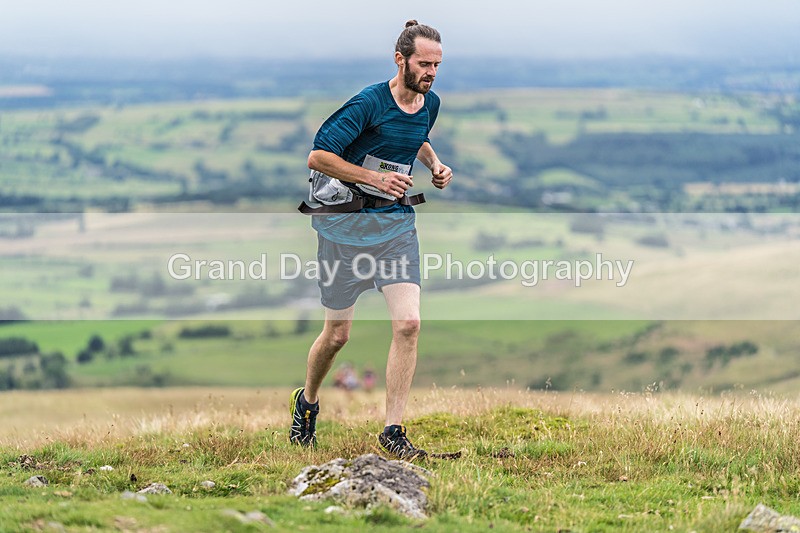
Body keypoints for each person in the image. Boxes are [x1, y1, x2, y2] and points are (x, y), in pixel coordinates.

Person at [289, 20, 452, 459]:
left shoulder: (429, 102)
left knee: (409, 324)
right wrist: (373, 177)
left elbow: (417, 136)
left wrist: (435, 164)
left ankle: (393, 431)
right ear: (400, 60)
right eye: (424, 63)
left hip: (396, 228)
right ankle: (307, 403)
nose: (432, 72)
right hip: (344, 229)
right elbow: (318, 155)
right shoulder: (368, 103)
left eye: (437, 64)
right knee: (338, 335)